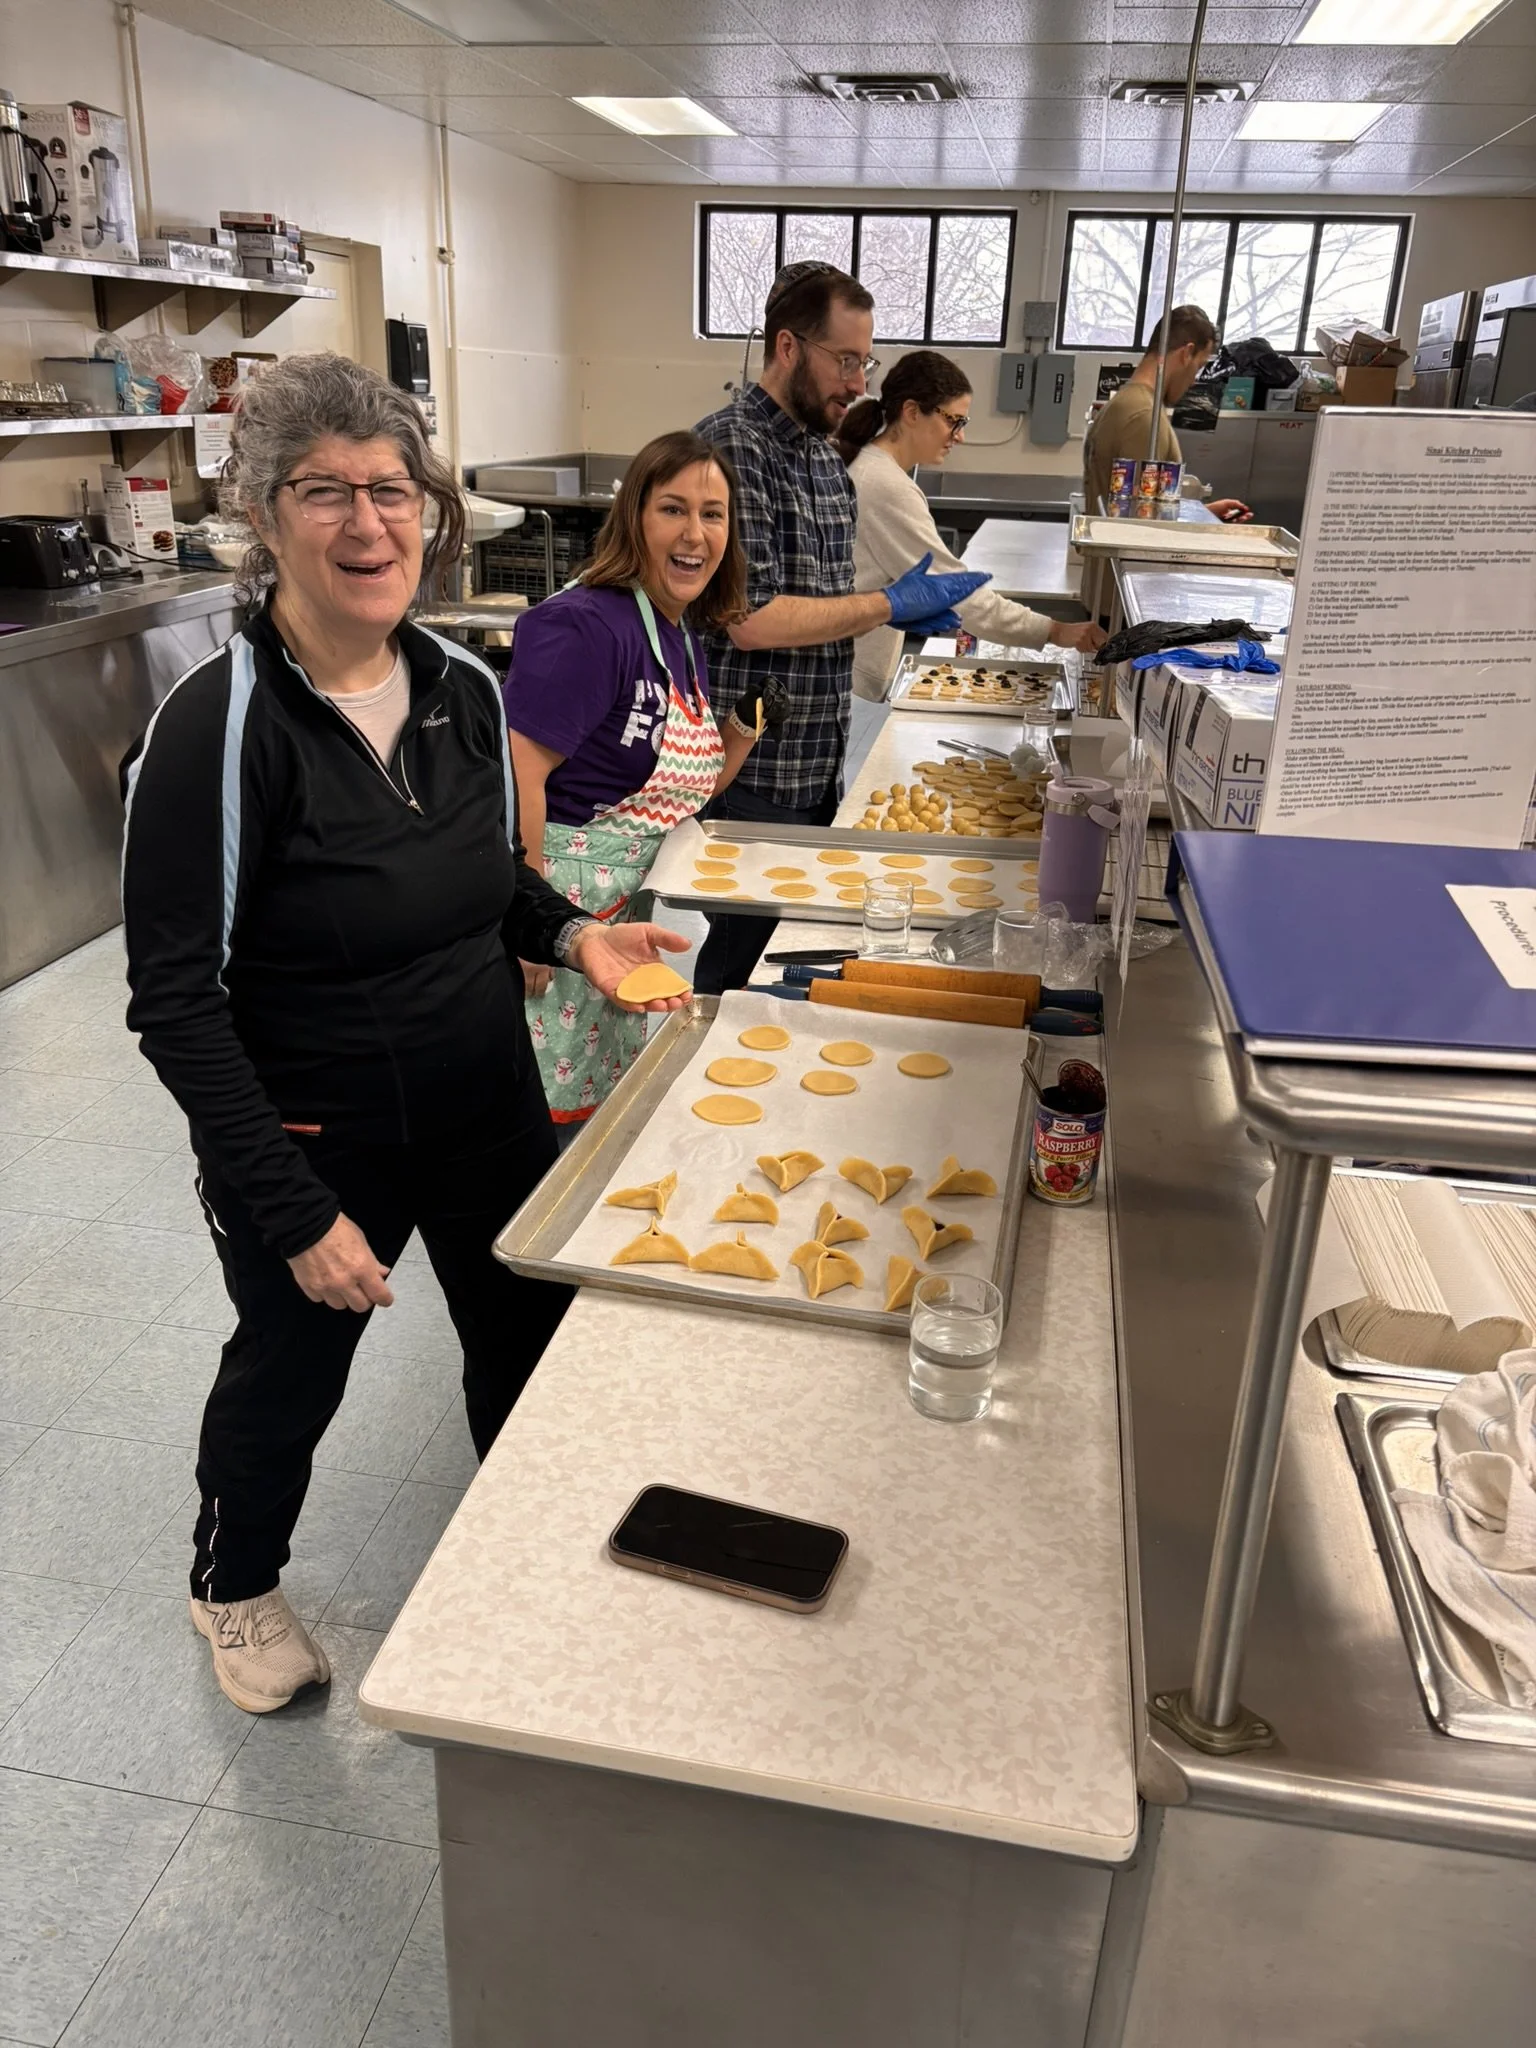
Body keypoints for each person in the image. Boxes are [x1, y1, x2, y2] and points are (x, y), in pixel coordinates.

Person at [122, 352, 691, 1715]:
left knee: (526, 1336)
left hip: (484, 1096)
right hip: (317, 1133)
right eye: (325, 491)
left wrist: (573, 933)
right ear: (264, 516)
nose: (368, 523)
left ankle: (533, 1549)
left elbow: (489, 875)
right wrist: (292, 1208)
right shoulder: (220, 729)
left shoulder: (462, 686)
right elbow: (175, 1004)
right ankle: (233, 1585)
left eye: (393, 490)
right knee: (290, 1367)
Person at [693, 260, 989, 992]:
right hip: (752, 765)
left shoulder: (825, 464)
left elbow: (822, 609)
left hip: (815, 759)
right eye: (846, 361)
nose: (860, 383)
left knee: (778, 948)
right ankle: (695, 1043)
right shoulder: (732, 451)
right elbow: (751, 620)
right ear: (788, 347)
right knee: (739, 954)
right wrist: (889, 604)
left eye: (867, 362)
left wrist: (893, 605)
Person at [503, 429, 785, 1136]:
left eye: (713, 514)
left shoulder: (676, 633)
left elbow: (677, 794)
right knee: (537, 1137)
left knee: (593, 1124)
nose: (695, 534)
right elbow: (516, 775)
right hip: (558, 911)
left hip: (616, 920)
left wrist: (741, 732)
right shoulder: (588, 627)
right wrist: (530, 927)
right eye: (673, 509)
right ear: (635, 517)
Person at [837, 349, 1107, 701]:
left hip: (851, 670)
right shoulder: (885, 484)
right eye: (954, 421)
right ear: (912, 412)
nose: (960, 436)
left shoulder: (874, 469)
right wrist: (1053, 630)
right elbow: (953, 592)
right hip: (847, 680)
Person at [1083, 305, 1253, 524]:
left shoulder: (1125, 403)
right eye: (1198, 366)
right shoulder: (1144, 418)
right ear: (1186, 353)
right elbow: (1137, 529)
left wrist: (1204, 514)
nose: (1193, 381)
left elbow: (1145, 509)